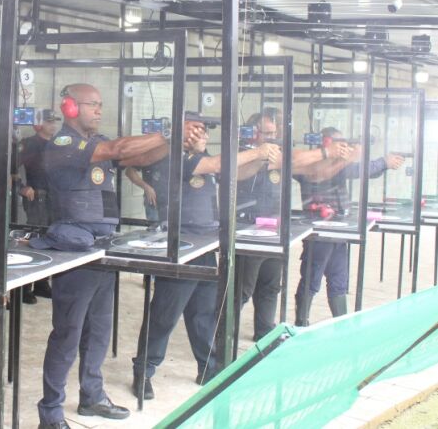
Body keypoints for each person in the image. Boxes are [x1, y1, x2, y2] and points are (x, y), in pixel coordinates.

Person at [30, 83, 185, 429]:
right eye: (92, 105)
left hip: (102, 246)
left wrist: (171, 142)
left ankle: (92, 396)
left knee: (99, 329)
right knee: (67, 334)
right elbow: (119, 147)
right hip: (75, 250)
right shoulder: (64, 144)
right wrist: (167, 131)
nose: (99, 110)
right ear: (70, 108)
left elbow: (137, 157)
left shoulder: (97, 143)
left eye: (101, 104)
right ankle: (51, 413)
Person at [132, 111, 280, 400]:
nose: (201, 134)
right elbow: (214, 165)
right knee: (165, 314)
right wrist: (256, 151)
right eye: (195, 128)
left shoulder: (201, 155)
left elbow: (231, 171)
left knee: (204, 313)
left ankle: (209, 369)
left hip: (205, 242)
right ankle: (144, 370)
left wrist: (261, 159)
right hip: (180, 243)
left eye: (203, 129)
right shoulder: (171, 154)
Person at [236, 109, 340, 341]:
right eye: (266, 133)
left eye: (274, 133)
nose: (271, 138)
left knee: (271, 285)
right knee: (242, 290)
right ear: (254, 134)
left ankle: (264, 332)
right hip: (247, 229)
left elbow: (308, 170)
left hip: (274, 228)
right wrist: (260, 156)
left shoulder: (280, 154)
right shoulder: (243, 153)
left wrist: (332, 156)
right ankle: (224, 334)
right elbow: (237, 174)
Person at [293, 127, 403, 325]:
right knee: (311, 280)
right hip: (319, 233)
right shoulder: (313, 165)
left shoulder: (340, 165)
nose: (343, 147)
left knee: (339, 281)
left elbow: (365, 169)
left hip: (339, 232)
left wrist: (384, 163)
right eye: (338, 143)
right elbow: (320, 174)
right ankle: (301, 323)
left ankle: (341, 325)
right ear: (326, 144)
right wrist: (352, 158)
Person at [17, 108, 62, 301]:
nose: (53, 125)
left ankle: (42, 283)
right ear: (40, 124)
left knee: (50, 239)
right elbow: (11, 169)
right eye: (49, 122)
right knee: (34, 241)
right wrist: (22, 187)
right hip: (37, 199)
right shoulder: (29, 144)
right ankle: (26, 287)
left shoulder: (58, 144)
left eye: (55, 122)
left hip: (54, 198)